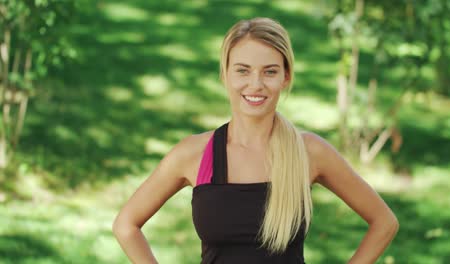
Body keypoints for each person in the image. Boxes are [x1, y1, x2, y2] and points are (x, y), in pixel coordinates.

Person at [113, 17, 399, 264]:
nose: (256, 84)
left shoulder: (309, 152)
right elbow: (126, 225)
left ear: (286, 77)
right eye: (243, 70)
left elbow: (384, 222)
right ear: (225, 74)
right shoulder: (195, 154)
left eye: (270, 71)